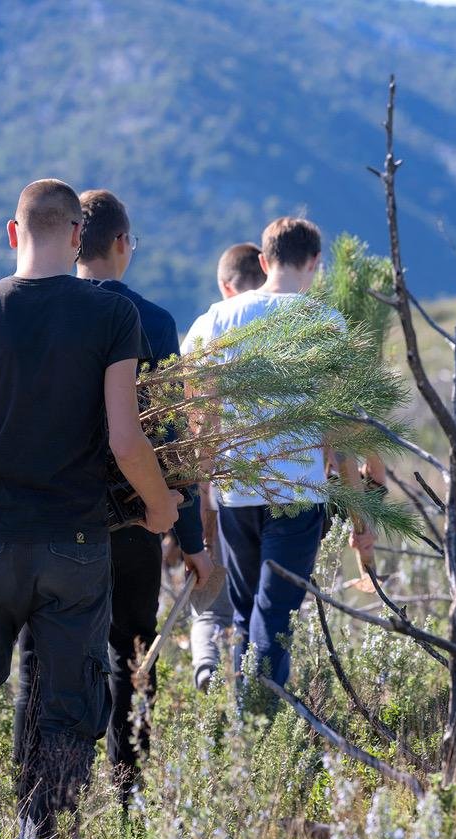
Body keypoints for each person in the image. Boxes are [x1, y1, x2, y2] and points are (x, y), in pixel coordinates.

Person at [0, 179, 181, 839]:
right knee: (65, 713)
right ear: (76, 236)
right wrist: (161, 508)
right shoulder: (111, 318)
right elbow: (127, 441)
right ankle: (43, 832)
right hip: (74, 543)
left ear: (13, 234)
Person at [11, 189, 212, 807]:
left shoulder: (34, 309)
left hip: (42, 522)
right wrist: (192, 539)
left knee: (41, 660)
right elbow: (175, 441)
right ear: (122, 244)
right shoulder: (152, 321)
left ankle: (38, 798)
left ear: (74, 241)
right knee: (132, 654)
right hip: (129, 521)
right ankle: (129, 793)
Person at [182, 218, 375, 688]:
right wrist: (360, 521)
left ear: (265, 261)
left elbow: (193, 409)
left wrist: (198, 501)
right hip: (296, 496)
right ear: (314, 263)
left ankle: (244, 731)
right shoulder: (324, 323)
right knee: (274, 622)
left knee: (249, 617)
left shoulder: (217, 319)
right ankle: (261, 723)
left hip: (235, 498)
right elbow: (344, 436)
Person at [188, 243, 266, 691]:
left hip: (221, 492)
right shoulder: (288, 325)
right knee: (260, 603)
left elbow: (194, 419)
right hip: (280, 494)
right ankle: (253, 690)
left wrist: (197, 499)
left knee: (210, 601)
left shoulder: (208, 328)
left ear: (224, 285)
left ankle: (207, 671)